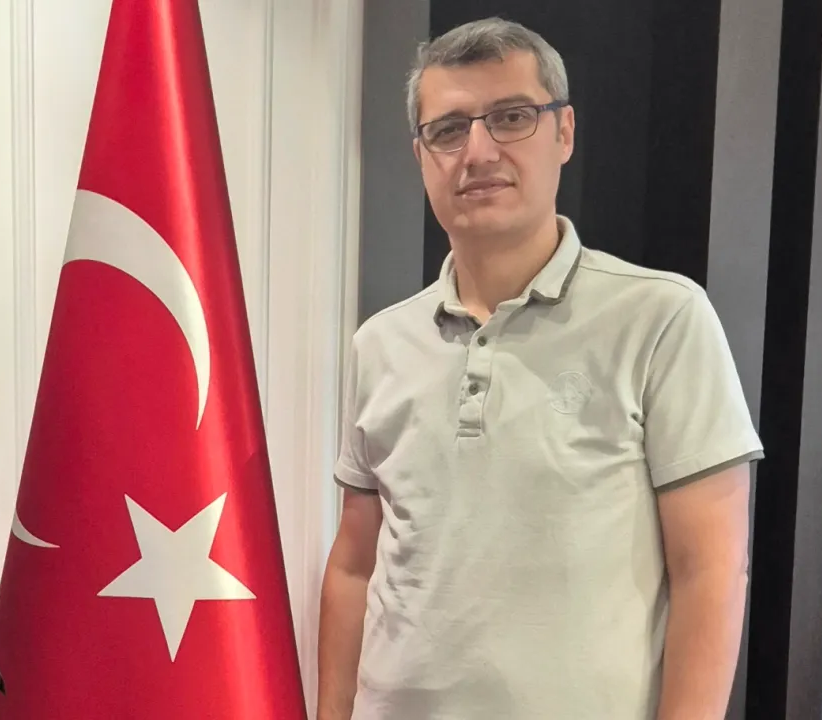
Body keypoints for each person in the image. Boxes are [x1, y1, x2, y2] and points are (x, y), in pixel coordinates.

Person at [317, 17, 761, 720]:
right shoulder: (379, 344)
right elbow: (354, 565)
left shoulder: (662, 319)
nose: (478, 151)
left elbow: (711, 570)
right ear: (421, 155)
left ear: (564, 132)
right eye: (448, 129)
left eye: (511, 117)